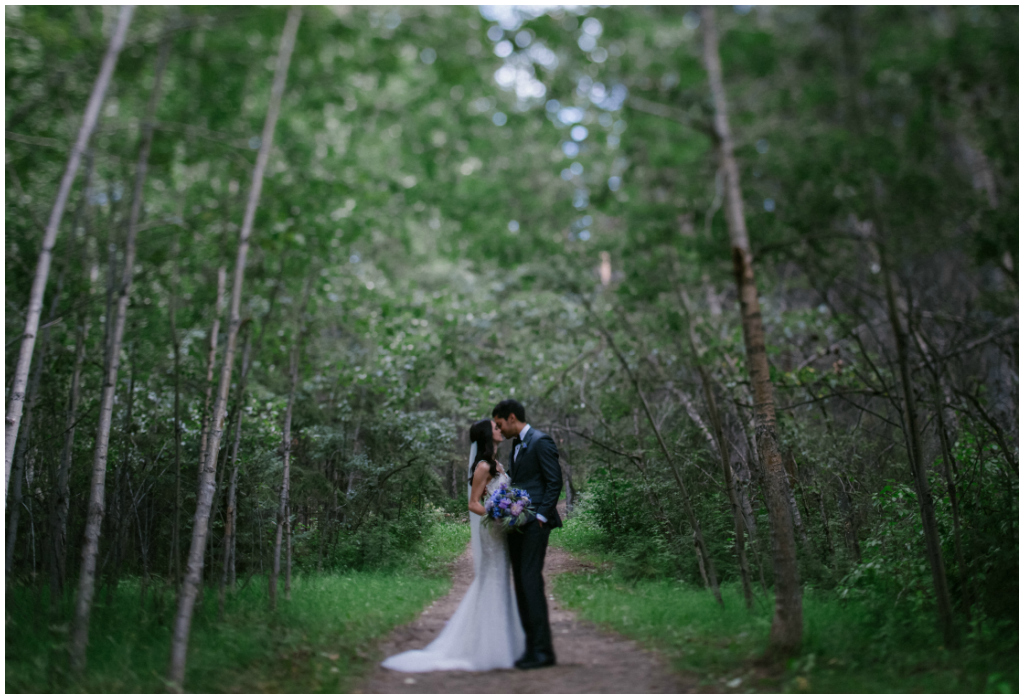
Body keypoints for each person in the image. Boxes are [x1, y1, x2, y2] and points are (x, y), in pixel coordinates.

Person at [380, 418, 525, 672]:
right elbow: (473, 504)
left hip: (502, 532)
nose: (500, 430)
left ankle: (502, 641)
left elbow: (501, 495)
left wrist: (514, 510)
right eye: (495, 428)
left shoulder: (498, 465)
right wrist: (497, 515)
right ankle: (488, 648)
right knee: (492, 579)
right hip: (492, 532)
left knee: (502, 579)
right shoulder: (482, 466)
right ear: (485, 435)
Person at [491, 398, 562, 670]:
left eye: (499, 423)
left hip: (535, 524)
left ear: (511, 417)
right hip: (516, 523)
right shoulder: (516, 446)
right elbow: (520, 481)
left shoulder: (540, 441)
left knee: (530, 581)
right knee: (521, 583)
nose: (499, 429)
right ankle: (531, 649)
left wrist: (542, 517)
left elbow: (554, 480)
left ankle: (544, 652)